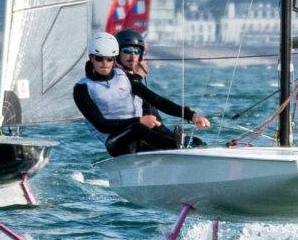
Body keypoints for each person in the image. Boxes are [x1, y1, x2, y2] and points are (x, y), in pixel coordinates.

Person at [73, 31, 211, 155]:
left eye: (109, 58)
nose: (104, 63)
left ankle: (192, 147)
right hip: (116, 143)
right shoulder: (82, 88)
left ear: (114, 59)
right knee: (138, 128)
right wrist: (138, 120)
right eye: (99, 58)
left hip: (141, 137)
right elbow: (102, 125)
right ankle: (178, 147)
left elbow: (157, 100)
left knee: (195, 141)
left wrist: (191, 115)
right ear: (91, 58)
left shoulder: (125, 77)